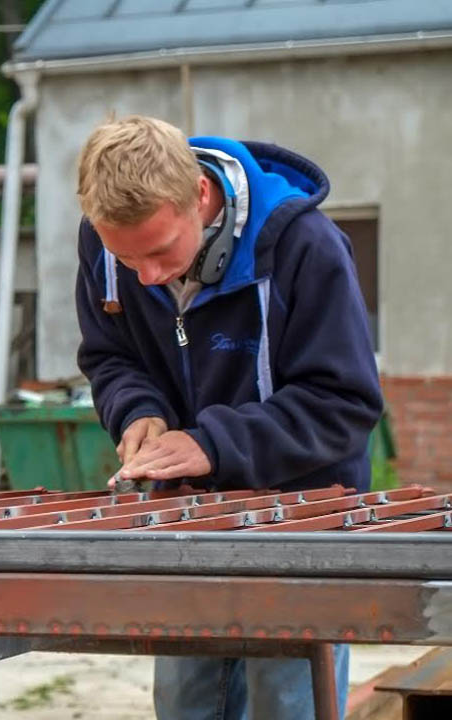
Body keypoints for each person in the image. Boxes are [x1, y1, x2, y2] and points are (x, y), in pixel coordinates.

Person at [74, 115, 382, 719]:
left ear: (201, 196)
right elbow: (109, 355)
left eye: (161, 251)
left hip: (303, 521)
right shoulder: (105, 243)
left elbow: (344, 401)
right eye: (126, 257)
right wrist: (138, 412)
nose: (149, 277)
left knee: (288, 702)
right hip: (187, 520)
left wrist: (214, 444)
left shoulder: (305, 247)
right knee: (187, 703)